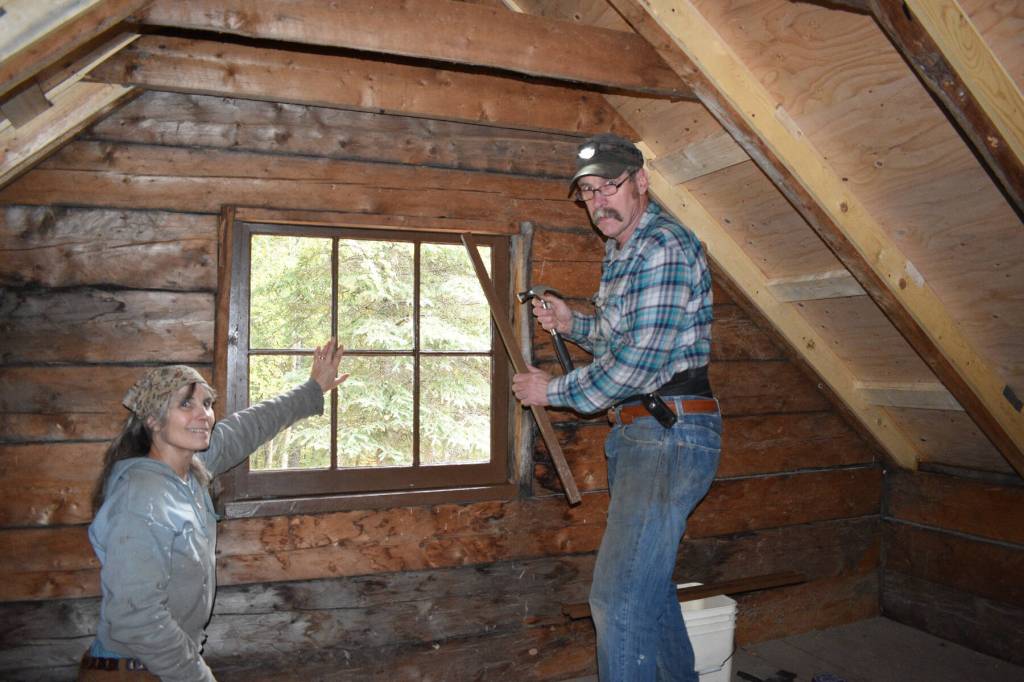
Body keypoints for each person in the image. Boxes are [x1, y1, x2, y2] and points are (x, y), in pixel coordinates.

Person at [512, 133, 720, 681]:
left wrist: (550, 391)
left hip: (669, 432)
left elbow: (639, 365)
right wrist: (571, 322)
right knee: (648, 595)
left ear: (642, 183)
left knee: (617, 601)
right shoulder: (623, 249)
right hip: (642, 431)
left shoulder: (663, 247)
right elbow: (616, 336)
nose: (598, 201)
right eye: (586, 191)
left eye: (610, 186)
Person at [79, 340, 349, 682]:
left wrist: (312, 389)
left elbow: (247, 428)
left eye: (207, 403)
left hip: (158, 665)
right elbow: (137, 619)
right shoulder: (142, 497)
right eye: (186, 404)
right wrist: (196, 676)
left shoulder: (189, 469)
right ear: (152, 419)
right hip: (132, 669)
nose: (203, 414)